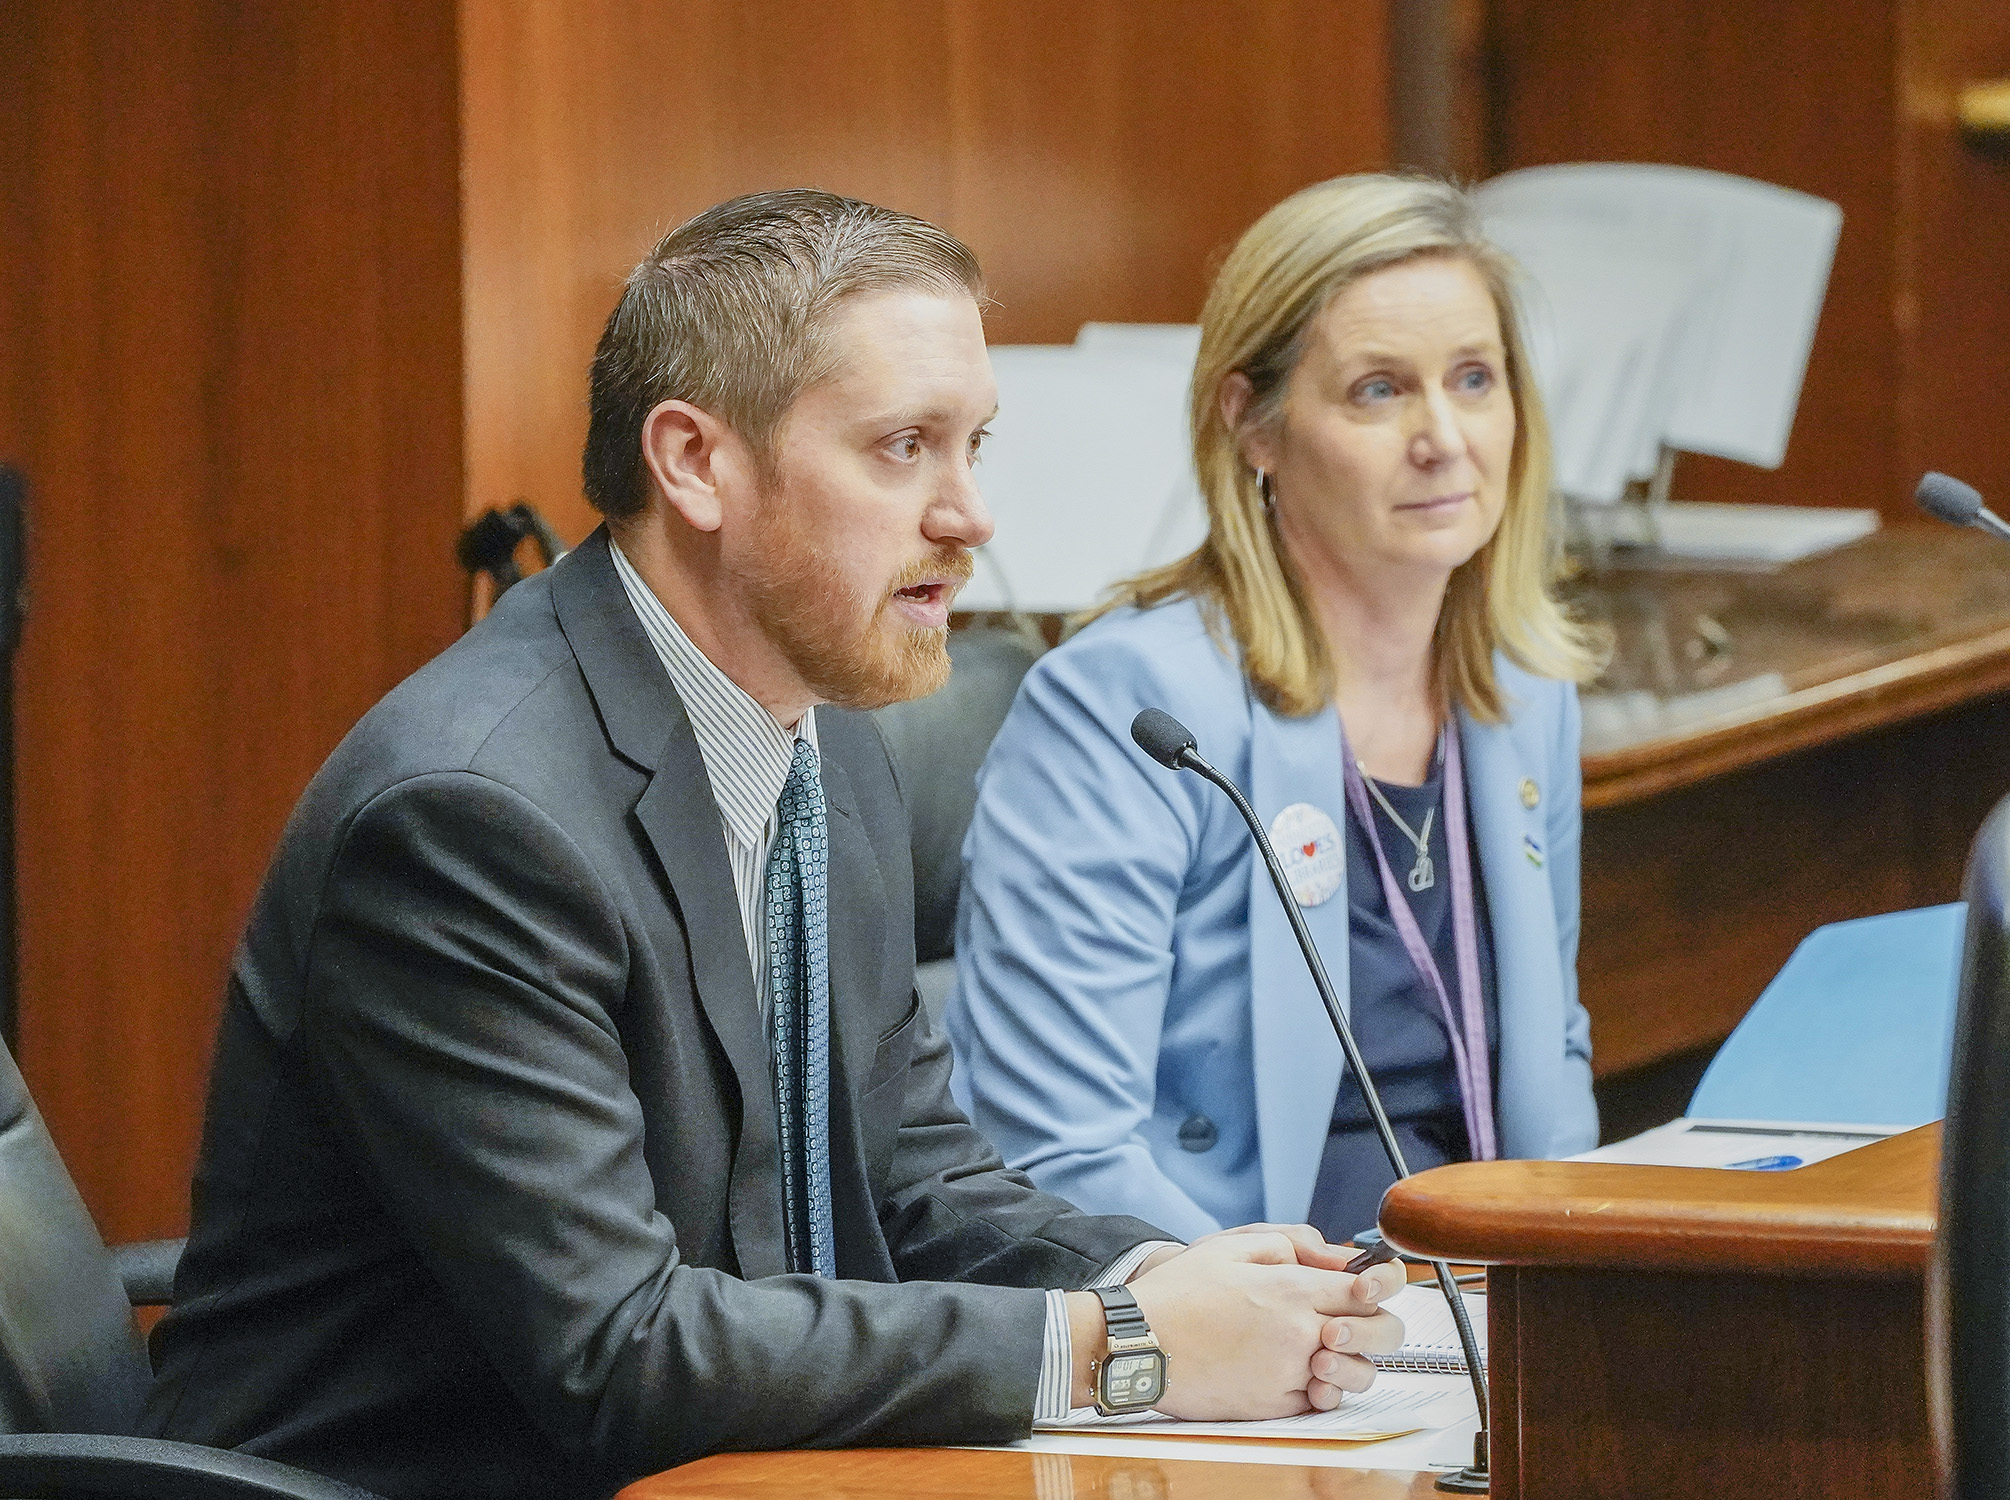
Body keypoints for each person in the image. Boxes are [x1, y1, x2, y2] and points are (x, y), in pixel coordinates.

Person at [141, 190, 1408, 1500]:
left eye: (974, 444)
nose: (968, 514)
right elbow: (620, 1350)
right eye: (903, 447)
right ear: (696, 463)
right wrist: (1120, 1348)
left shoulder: (821, 728)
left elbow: (915, 1176)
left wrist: (1166, 1280)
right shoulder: (470, 821)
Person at [945, 174, 1606, 1248]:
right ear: (1252, 424)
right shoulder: (1131, 706)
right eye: (1379, 391)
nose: (1444, 436)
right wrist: (1308, 1321)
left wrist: (1586, 1273)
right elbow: (1056, 1150)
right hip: (1244, 1322)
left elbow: (1551, 1053)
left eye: (1475, 379)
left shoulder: (1526, 690)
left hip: (1493, 1303)